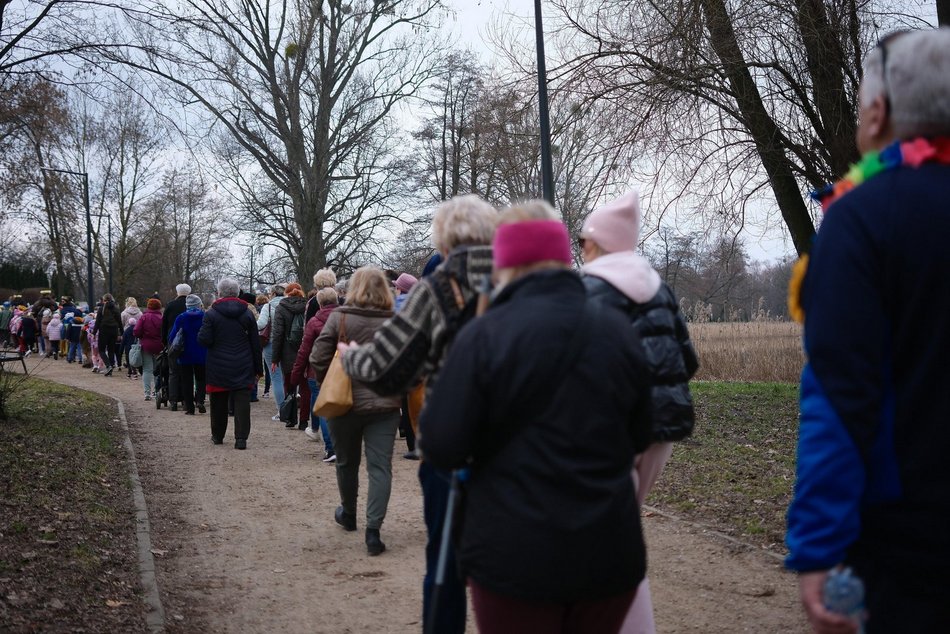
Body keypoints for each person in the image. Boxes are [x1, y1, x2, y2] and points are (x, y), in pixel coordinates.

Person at [419, 201, 653, 633]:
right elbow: (642, 431)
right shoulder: (618, 328)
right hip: (608, 554)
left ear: (505, 263)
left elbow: (441, 445)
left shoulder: (484, 335)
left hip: (513, 558)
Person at [785, 28, 950, 634]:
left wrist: (818, 546)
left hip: (912, 546)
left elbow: (840, 395)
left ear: (878, 113)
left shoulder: (862, 219)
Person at [339, 194, 497, 631]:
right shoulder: (523, 280)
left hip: (456, 446)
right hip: (520, 447)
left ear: (444, 241)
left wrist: (352, 359)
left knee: (446, 564)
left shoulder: (438, 288)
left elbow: (390, 371)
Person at [579, 190, 699, 634]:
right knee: (624, 526)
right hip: (664, 424)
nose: (581, 248)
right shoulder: (657, 286)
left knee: (607, 537)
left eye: (584, 240)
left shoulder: (590, 288)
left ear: (598, 242)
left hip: (616, 426)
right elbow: (687, 360)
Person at [310, 267, 401, 556]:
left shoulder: (340, 317)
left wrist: (328, 379)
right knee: (380, 467)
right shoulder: (396, 321)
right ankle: (373, 531)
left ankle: (349, 514)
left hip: (344, 401)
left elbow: (318, 356)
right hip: (385, 404)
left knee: (346, 462)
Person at [198, 278, 262, 449]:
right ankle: (241, 439)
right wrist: (258, 369)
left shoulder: (211, 314)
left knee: (218, 401)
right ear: (237, 292)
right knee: (242, 403)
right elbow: (255, 343)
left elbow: (204, 339)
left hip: (218, 364)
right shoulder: (247, 313)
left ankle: (217, 435)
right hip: (243, 363)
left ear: (219, 293)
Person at [290, 286, 339, 460]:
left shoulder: (313, 322)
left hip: (317, 371)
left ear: (319, 303)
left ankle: (331, 449)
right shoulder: (347, 319)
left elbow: (304, 351)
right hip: (342, 369)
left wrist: (295, 375)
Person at [270, 282, 309, 429]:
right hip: (304, 350)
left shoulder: (281, 307)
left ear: (286, 293)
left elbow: (278, 334)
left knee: (289, 385)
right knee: (305, 388)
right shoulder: (307, 306)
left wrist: (275, 358)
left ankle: (291, 419)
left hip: (287, 351)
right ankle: (304, 420)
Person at [169, 294, 208, 415]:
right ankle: (200, 400)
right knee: (201, 378)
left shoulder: (181, 317)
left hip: (185, 353)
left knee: (187, 380)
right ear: (199, 305)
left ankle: (190, 407)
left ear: (187, 305)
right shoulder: (205, 316)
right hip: (202, 352)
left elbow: (172, 336)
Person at [257, 284, 286, 419]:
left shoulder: (267, 307)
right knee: (288, 376)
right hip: (288, 345)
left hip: (271, 344)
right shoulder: (289, 305)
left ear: (273, 294)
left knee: (276, 377)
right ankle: (291, 407)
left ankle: (282, 411)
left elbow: (261, 324)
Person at [162, 284, 191, 410]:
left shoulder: (170, 305)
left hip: (173, 340)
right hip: (188, 341)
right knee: (186, 371)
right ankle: (186, 399)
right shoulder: (191, 305)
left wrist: (164, 341)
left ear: (177, 292)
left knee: (173, 371)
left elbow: (164, 325)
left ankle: (173, 400)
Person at [134, 298, 164, 401]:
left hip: (146, 345)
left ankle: (147, 393)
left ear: (148, 306)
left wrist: (142, 336)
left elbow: (136, 331)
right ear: (159, 307)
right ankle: (156, 391)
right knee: (157, 369)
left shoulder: (144, 317)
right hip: (159, 346)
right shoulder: (162, 318)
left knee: (147, 369)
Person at [93, 294, 123, 376]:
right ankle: (111, 366)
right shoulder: (116, 309)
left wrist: (94, 333)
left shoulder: (101, 309)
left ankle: (108, 365)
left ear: (104, 300)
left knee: (101, 350)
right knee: (111, 350)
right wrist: (122, 332)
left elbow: (97, 322)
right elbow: (119, 322)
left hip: (104, 330)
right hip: (114, 331)